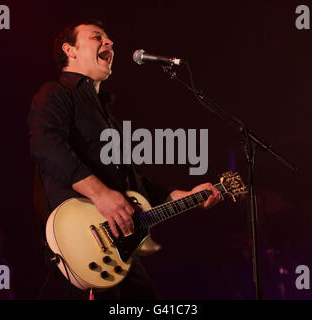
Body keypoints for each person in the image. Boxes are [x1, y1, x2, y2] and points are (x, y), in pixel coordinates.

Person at [27, 19, 221, 300]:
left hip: (119, 248)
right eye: (97, 38)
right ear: (70, 50)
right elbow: (46, 146)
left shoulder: (107, 118)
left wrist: (187, 195)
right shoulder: (55, 94)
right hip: (80, 245)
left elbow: (137, 185)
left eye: (108, 39)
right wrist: (102, 195)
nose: (110, 43)